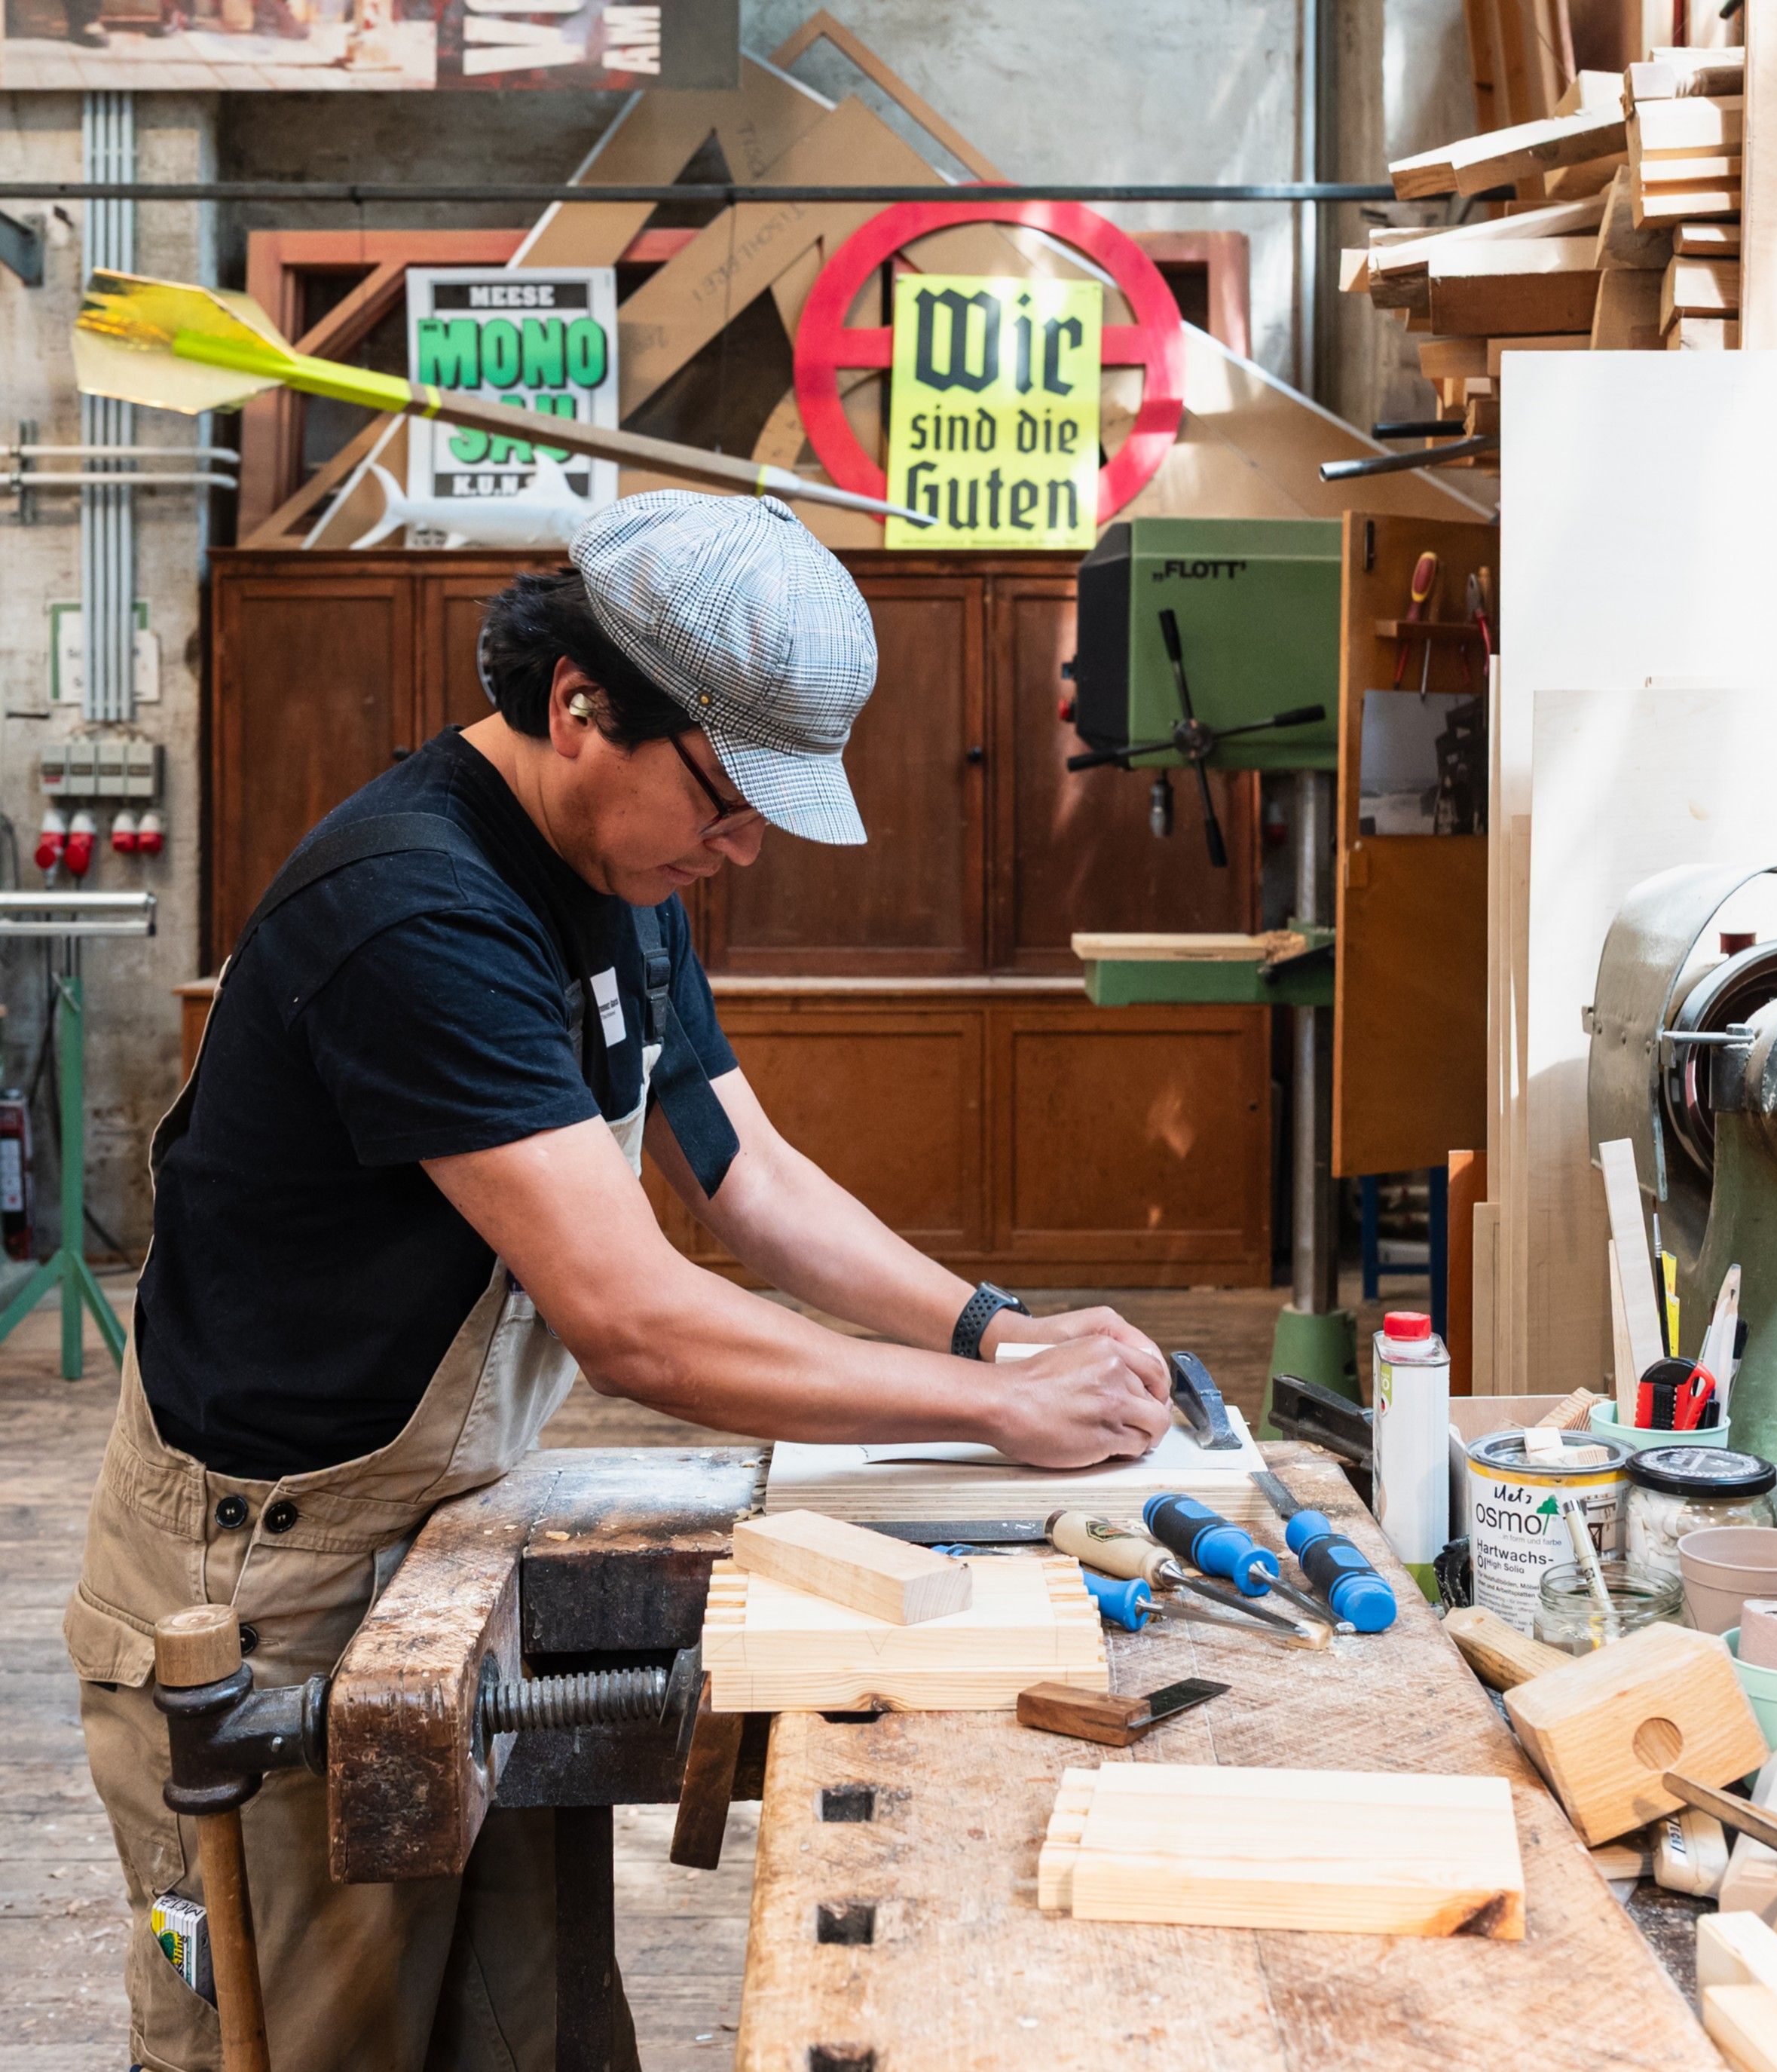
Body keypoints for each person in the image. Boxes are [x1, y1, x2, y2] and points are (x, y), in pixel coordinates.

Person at [63, 491, 1173, 2070]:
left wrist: (995, 1333)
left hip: (451, 1524)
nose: (746, 846)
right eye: (727, 797)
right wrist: (994, 1411)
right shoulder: (416, 908)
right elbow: (634, 1320)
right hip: (262, 1578)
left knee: (527, 2033)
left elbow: (746, 1173)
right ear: (581, 704)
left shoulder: (619, 880)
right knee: (303, 2036)